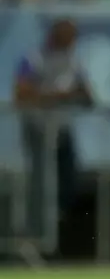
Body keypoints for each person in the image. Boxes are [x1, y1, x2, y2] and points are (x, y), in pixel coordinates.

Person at [13, 19, 92, 250]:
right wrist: (56, 95)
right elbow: (21, 91)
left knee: (69, 181)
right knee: (39, 182)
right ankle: (33, 234)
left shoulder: (73, 62)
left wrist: (79, 94)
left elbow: (87, 93)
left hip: (61, 129)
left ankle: (55, 222)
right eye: (68, 36)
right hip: (37, 127)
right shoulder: (35, 58)